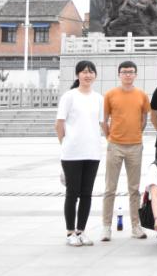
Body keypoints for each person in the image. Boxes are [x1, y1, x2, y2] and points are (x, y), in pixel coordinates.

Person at [101, 60, 151, 241]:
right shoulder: (110, 95)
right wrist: (110, 137)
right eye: (124, 72)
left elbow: (144, 119)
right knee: (110, 188)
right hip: (115, 145)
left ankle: (136, 226)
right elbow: (104, 120)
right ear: (119, 74)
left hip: (135, 146)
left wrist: (136, 134)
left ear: (135, 74)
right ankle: (106, 227)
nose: (127, 74)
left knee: (134, 189)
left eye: (131, 72)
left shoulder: (142, 95)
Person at [56, 60, 103, 247]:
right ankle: (70, 232)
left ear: (95, 75)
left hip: (92, 152)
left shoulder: (98, 98)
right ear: (77, 75)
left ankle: (81, 231)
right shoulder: (69, 96)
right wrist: (65, 143)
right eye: (84, 72)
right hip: (72, 153)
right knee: (72, 193)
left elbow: (101, 124)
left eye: (91, 72)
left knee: (86, 194)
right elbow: (59, 124)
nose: (87, 75)